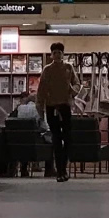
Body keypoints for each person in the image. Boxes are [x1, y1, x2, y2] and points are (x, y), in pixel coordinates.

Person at [36, 41, 77, 182]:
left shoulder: (69, 68)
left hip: (65, 106)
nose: (57, 55)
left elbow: (77, 84)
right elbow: (41, 91)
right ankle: (60, 171)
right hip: (52, 107)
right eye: (55, 53)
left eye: (59, 52)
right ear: (51, 55)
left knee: (67, 138)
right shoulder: (47, 70)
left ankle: (63, 168)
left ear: (63, 54)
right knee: (56, 139)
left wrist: (73, 90)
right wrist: (40, 108)